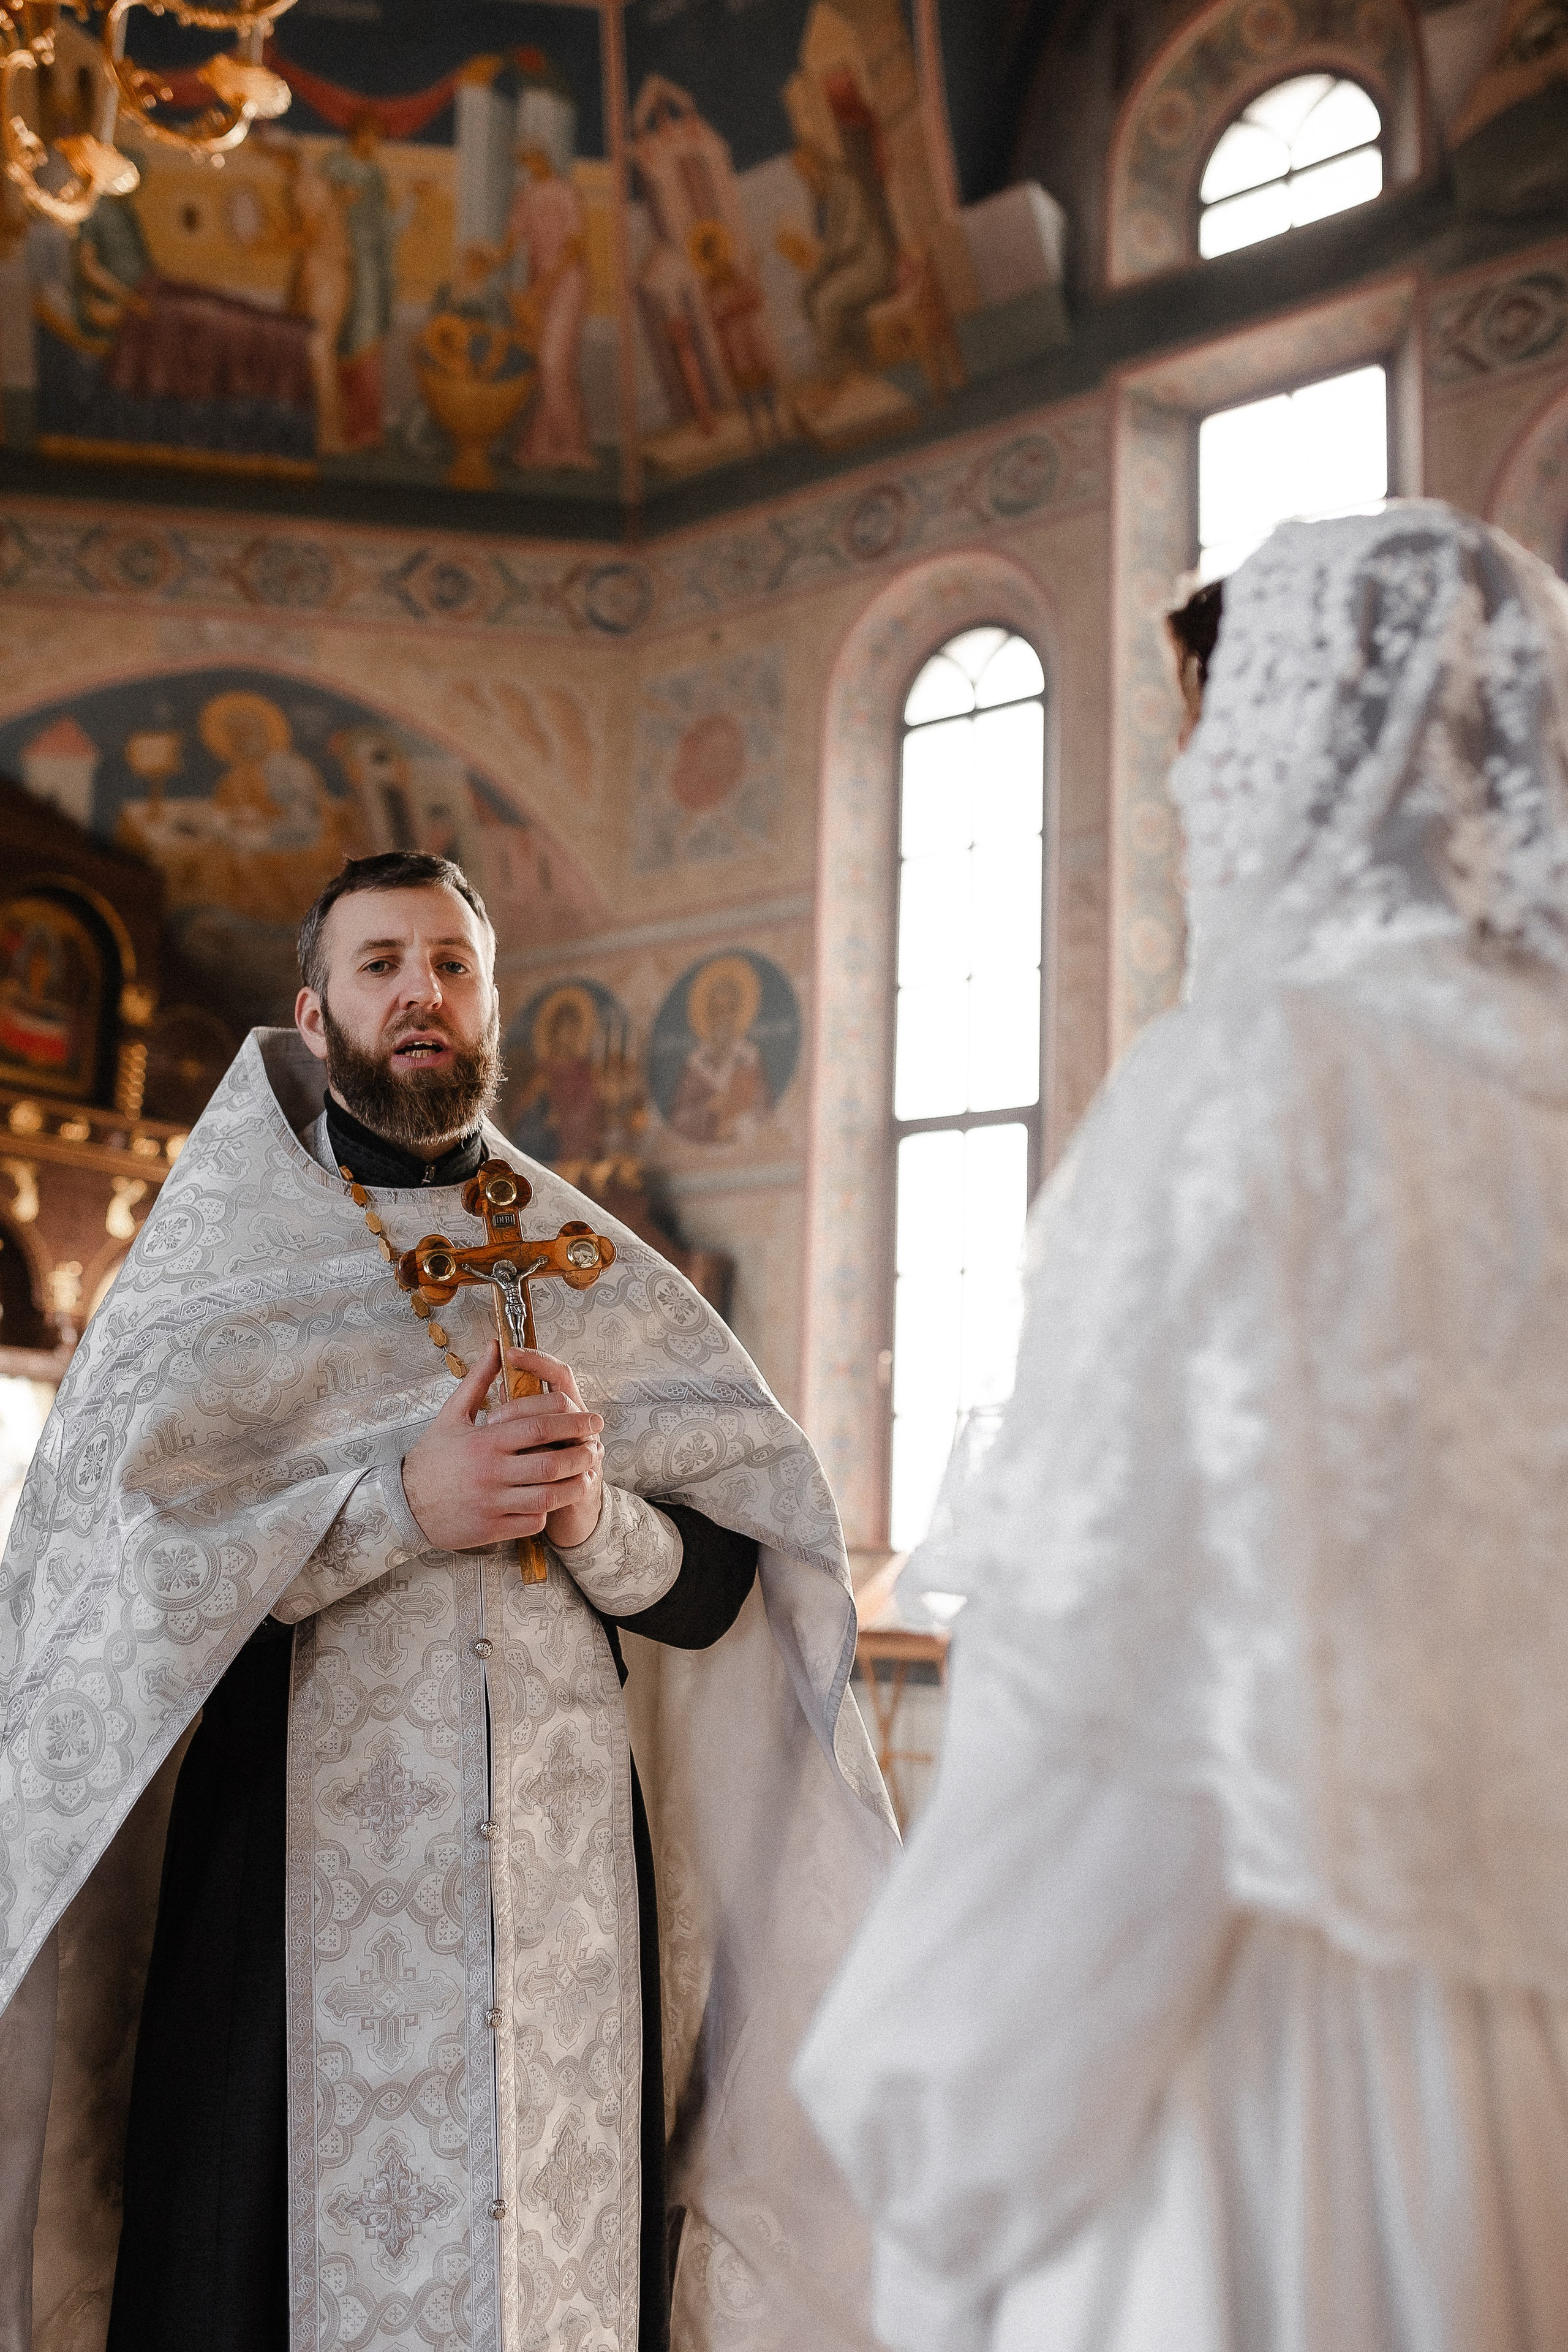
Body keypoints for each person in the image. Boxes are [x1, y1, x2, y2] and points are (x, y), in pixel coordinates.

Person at [797, 503, 1568, 2352]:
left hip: (1255, 2098)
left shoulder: (1260, 1085)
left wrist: (928, 2133)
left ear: (1308, 760)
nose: (1193, 803)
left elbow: (1107, 1730)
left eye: (1209, 750)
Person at [0, 850, 895, 2352]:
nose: (421, 991)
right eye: (380, 964)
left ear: (491, 1004)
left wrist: (592, 1515)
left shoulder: (595, 1269)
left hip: (561, 1894)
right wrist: (399, 1509)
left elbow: (736, 1583)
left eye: (452, 964)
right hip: (282, 1877)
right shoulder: (212, 1278)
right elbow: (118, 1590)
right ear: (314, 1008)